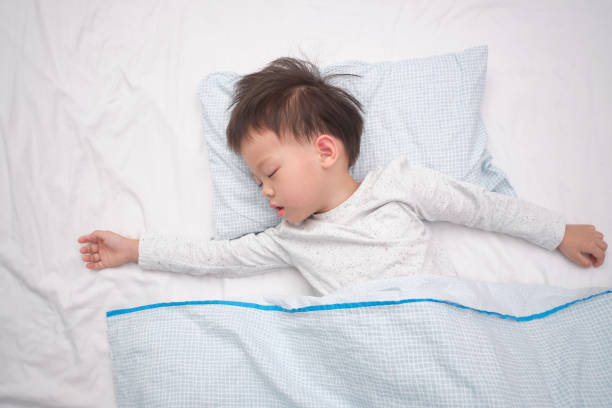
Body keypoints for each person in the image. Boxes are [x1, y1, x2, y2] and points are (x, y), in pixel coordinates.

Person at [77, 57, 607, 296]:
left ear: (324, 150)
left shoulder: (398, 184)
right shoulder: (292, 240)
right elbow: (219, 257)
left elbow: (481, 206)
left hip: (436, 325)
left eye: (269, 173)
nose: (263, 192)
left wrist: (558, 232)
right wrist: (136, 249)